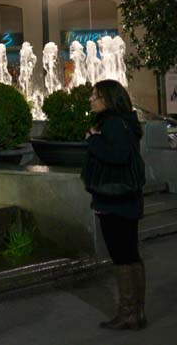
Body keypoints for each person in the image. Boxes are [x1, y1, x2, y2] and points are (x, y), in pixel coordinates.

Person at [82, 79, 146, 330]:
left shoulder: (112, 124)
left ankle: (129, 312)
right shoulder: (124, 122)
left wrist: (93, 139)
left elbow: (118, 156)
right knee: (130, 254)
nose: (91, 100)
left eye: (95, 96)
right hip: (126, 199)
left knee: (121, 256)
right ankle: (135, 312)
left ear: (107, 99)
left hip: (115, 200)